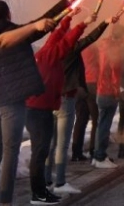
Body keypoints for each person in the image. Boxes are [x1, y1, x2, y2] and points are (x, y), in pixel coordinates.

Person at [0, 0, 68, 206]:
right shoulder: (16, 33)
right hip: (11, 100)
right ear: (8, 14)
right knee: (11, 151)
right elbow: (38, 26)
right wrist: (65, 3)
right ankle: (6, 202)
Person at [45, 14, 114, 195]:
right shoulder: (70, 49)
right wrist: (104, 23)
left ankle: (46, 180)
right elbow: (91, 38)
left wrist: (67, 17)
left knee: (50, 143)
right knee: (62, 144)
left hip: (50, 98)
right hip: (66, 98)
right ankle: (60, 182)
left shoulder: (49, 48)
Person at [26, 9, 90, 205]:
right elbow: (65, 43)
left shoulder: (46, 51)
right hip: (39, 110)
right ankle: (38, 194)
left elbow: (57, 37)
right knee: (40, 152)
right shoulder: (49, 55)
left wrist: (68, 18)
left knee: (44, 150)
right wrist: (83, 23)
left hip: (40, 108)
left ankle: (42, 190)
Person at [91, 24, 124, 169]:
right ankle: (100, 156)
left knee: (100, 124)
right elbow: (114, 72)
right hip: (108, 92)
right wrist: (116, 91)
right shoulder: (114, 51)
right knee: (104, 126)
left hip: (100, 89)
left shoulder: (103, 46)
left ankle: (97, 156)